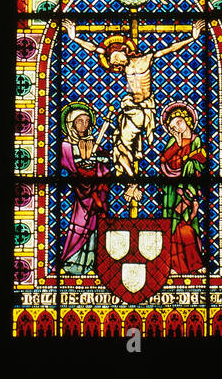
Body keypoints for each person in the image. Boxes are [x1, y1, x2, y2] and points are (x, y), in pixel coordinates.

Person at [63, 18, 205, 178]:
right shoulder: (123, 65)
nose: (114, 63)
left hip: (142, 108)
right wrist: (73, 37)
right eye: (112, 61)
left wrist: (193, 37)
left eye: (115, 58)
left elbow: (171, 49)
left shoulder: (146, 59)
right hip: (132, 107)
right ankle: (131, 173)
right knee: (119, 141)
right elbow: (95, 48)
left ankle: (132, 178)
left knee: (121, 145)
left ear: (124, 50)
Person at [60, 102, 112, 274]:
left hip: (95, 195)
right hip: (80, 195)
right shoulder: (66, 145)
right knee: (78, 226)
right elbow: (67, 164)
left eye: (87, 121)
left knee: (95, 228)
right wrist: (82, 167)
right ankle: (72, 261)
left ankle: (93, 262)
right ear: (71, 124)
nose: (84, 125)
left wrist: (98, 162)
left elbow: (104, 168)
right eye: (79, 121)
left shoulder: (92, 144)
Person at [160, 102, 206, 272]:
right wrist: (178, 143)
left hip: (189, 188)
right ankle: (173, 264)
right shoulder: (174, 140)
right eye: (172, 126)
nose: (177, 127)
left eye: (178, 122)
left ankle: (195, 264)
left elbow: (199, 163)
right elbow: (164, 161)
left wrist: (190, 163)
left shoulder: (196, 140)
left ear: (187, 120)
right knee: (174, 226)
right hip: (172, 190)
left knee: (188, 226)